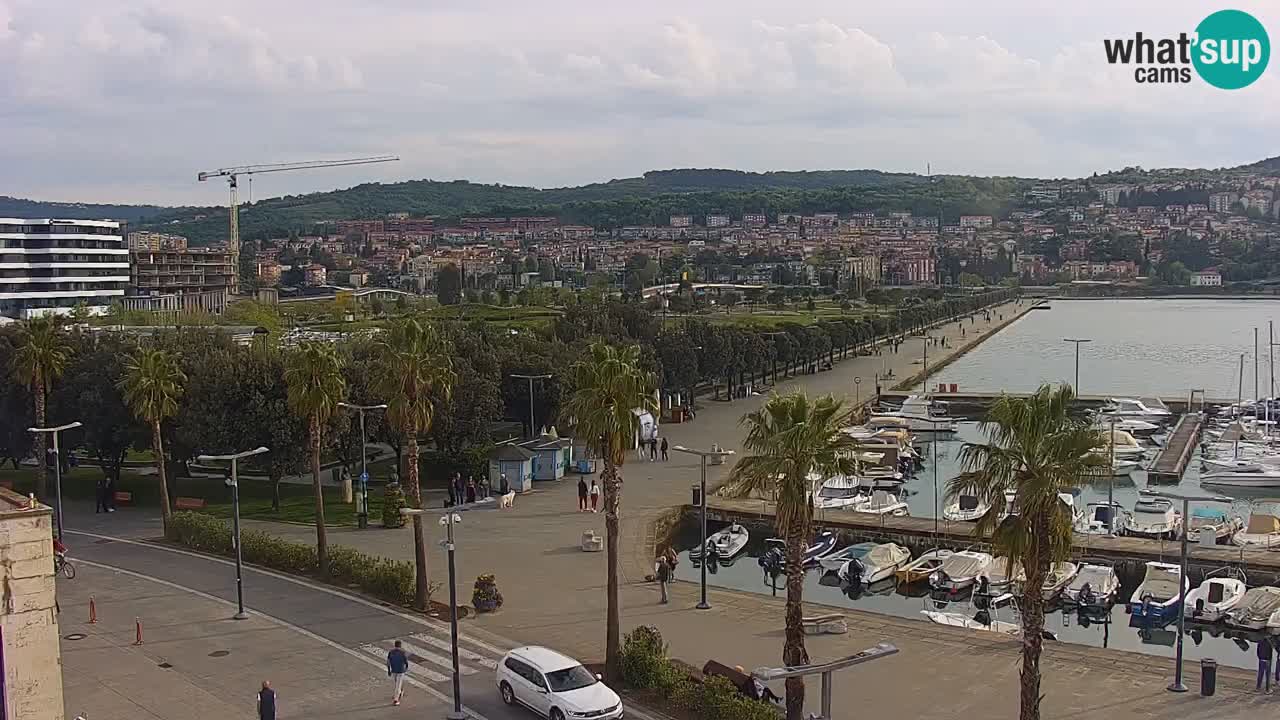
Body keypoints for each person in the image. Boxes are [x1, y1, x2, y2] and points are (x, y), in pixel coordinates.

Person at [388, 640, 410, 705]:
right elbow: (406, 662)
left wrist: (389, 670)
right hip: (400, 671)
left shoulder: (391, 652)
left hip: (394, 670)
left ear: (395, 645)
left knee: (397, 684)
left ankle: (396, 699)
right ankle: (398, 696)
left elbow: (388, 662)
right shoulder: (403, 653)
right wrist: (406, 668)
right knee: (398, 684)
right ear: (400, 646)